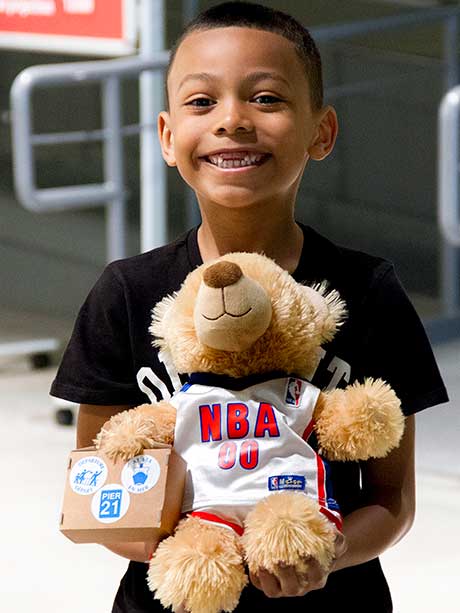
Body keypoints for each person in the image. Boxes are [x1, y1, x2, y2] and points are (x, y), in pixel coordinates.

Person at [51, 2, 448, 612]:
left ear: (322, 132)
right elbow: (100, 491)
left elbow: (392, 500)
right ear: (165, 136)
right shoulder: (127, 292)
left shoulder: (366, 291)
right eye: (201, 102)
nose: (231, 121)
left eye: (266, 98)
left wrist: (324, 554)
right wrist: (205, 547)